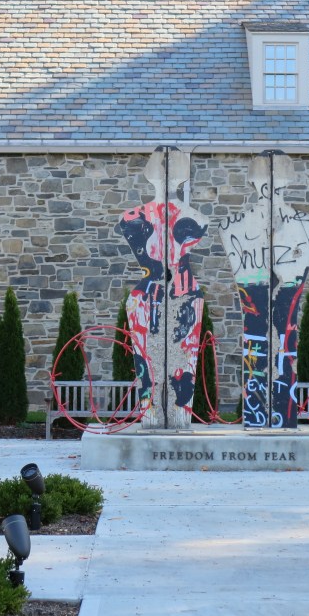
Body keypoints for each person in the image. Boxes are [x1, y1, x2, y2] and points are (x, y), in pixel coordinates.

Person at [218, 152, 309, 428]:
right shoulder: (233, 225)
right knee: (258, 344)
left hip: (281, 309)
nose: (270, 186)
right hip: (256, 306)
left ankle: (279, 415)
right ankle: (259, 414)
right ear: (252, 182)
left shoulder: (307, 224)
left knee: (282, 344)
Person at [118, 148, 207, 429]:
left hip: (185, 295)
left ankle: (179, 415)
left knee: (183, 364)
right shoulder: (131, 218)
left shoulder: (196, 218)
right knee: (146, 363)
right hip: (146, 296)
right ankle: (151, 415)